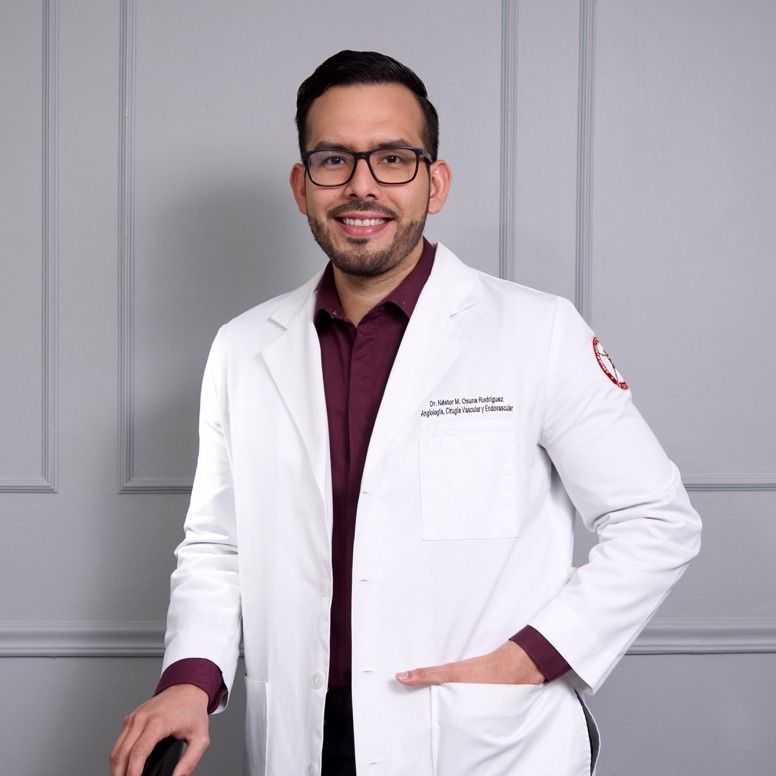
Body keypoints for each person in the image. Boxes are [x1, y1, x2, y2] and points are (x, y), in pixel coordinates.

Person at [110, 50, 701, 776]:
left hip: (483, 741)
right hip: (304, 739)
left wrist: (538, 654)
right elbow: (217, 544)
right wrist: (190, 679)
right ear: (301, 186)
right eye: (333, 160)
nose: (361, 186)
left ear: (435, 182)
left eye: (392, 158)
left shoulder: (537, 332)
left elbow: (656, 519)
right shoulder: (243, 347)